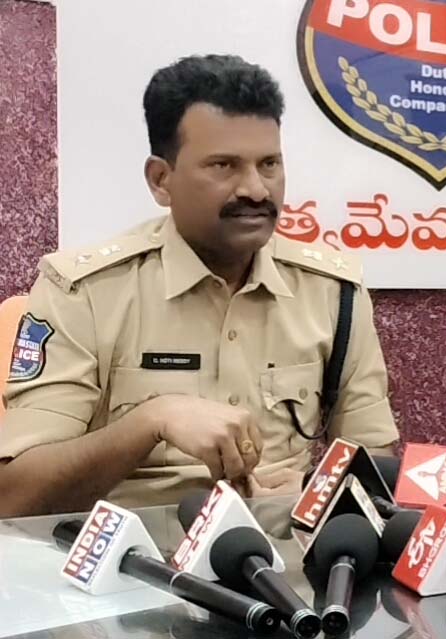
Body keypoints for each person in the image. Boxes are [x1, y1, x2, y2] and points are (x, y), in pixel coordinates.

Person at [0, 55, 399, 517]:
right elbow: (14, 497)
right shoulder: (85, 292)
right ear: (161, 180)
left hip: (282, 552)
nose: (256, 189)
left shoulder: (333, 291)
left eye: (269, 164)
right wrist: (151, 420)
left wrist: (313, 488)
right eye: (224, 166)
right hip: (135, 553)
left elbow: (375, 469)